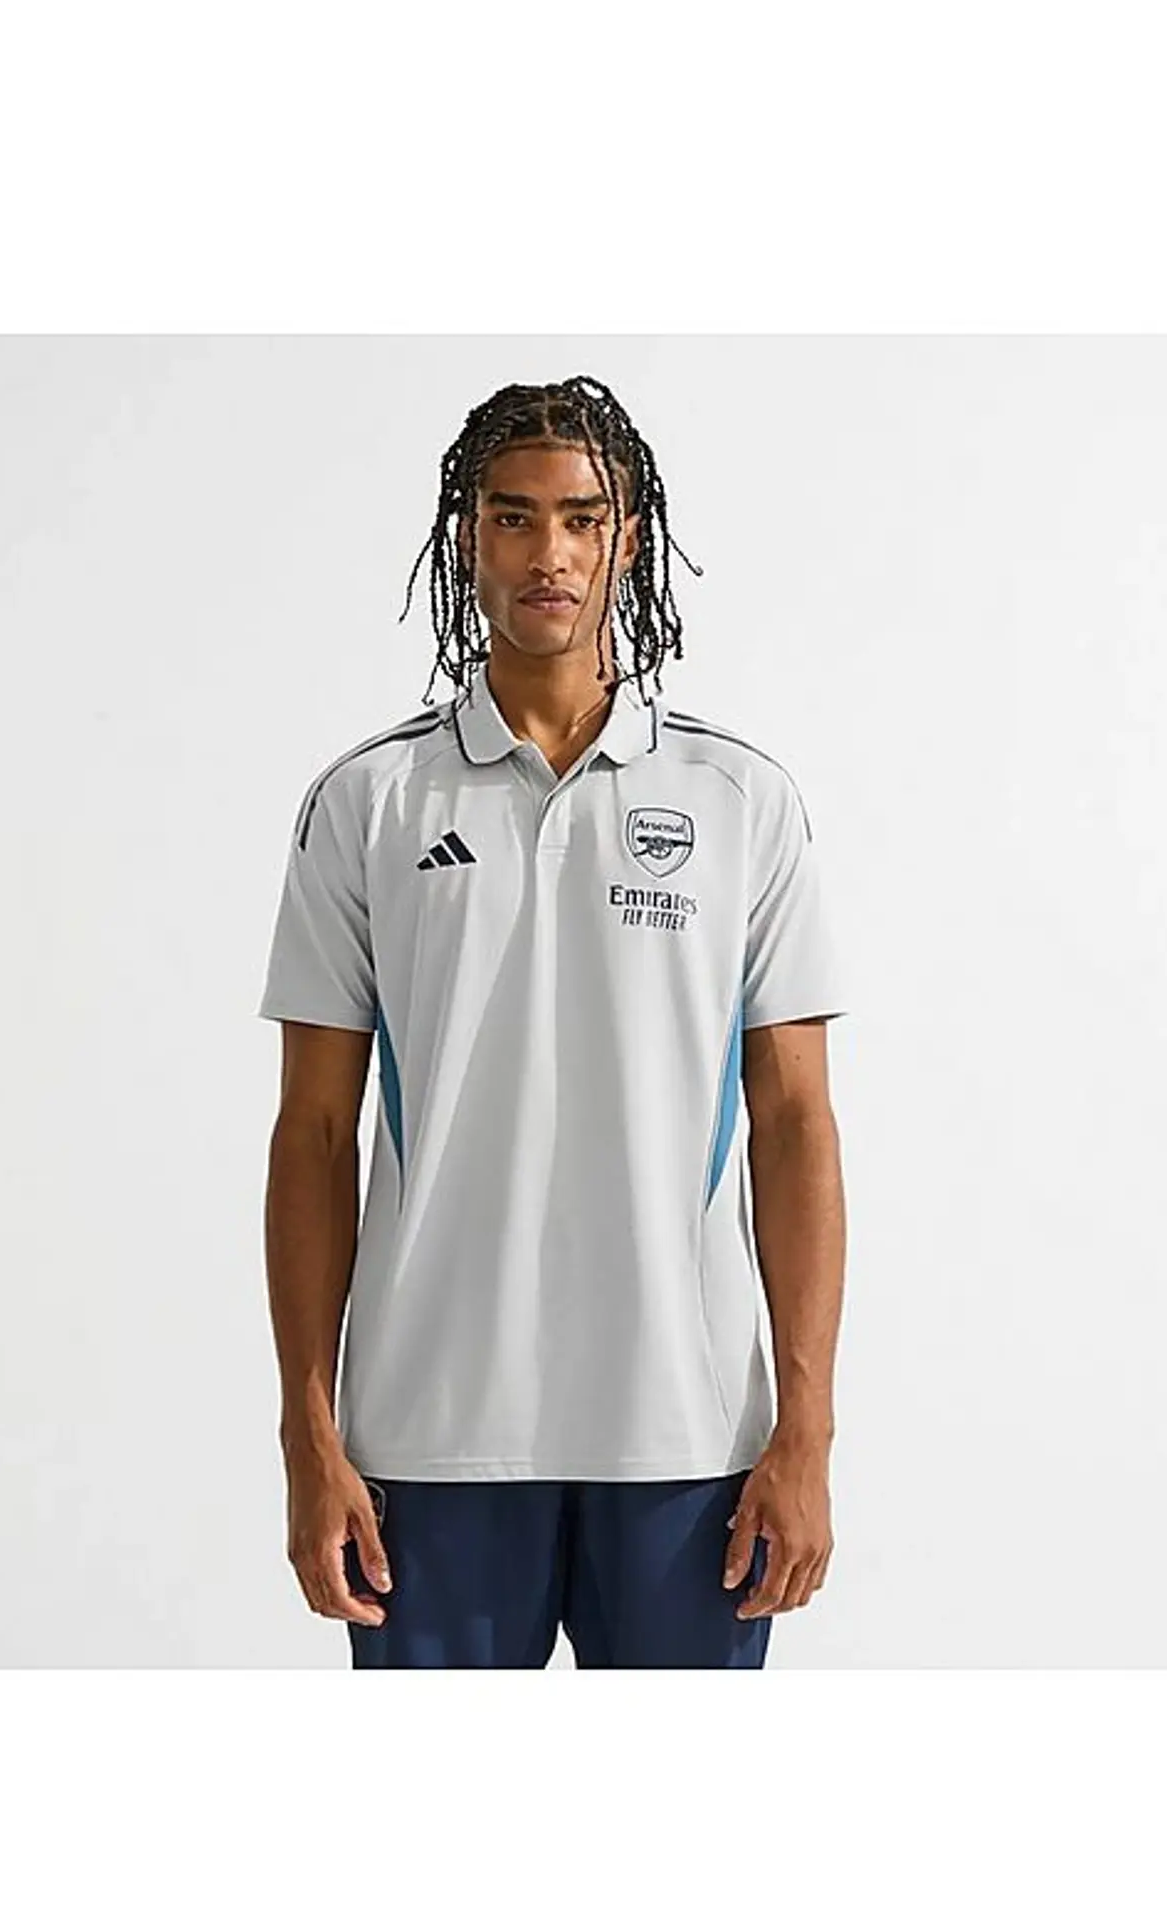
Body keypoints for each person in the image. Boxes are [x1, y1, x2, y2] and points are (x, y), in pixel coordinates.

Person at [257, 375, 847, 1668]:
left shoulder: (740, 798)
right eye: (514, 517)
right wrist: (309, 1435)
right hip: (428, 1434)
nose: (549, 554)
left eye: (582, 518)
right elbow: (312, 1134)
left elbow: (797, 1122)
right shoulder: (370, 803)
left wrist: (805, 1431)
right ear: (466, 535)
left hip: (692, 1435)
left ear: (627, 537)